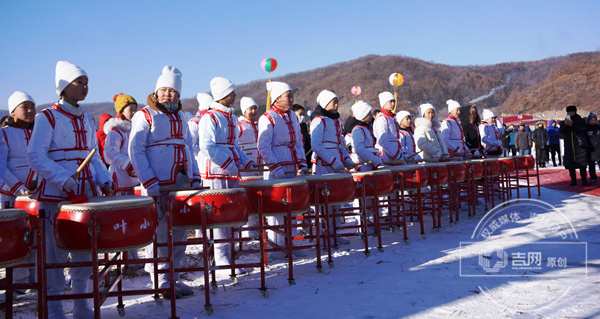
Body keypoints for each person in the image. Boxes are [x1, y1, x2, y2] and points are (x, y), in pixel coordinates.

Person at [27, 61, 113, 318]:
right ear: (63, 87)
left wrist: (104, 178)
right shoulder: (47, 117)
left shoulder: (87, 118)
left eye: (86, 82)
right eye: (79, 82)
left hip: (85, 194)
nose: (85, 87)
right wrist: (62, 178)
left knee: (84, 248)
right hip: (55, 195)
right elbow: (35, 156)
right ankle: (53, 307)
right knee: (53, 251)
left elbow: (93, 156)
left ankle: (80, 303)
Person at [129, 65, 201, 298]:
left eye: (173, 91)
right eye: (165, 90)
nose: (168, 95)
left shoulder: (182, 116)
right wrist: (148, 181)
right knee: (160, 233)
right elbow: (136, 150)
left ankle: (174, 277)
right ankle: (160, 280)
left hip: (181, 182)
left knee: (180, 231)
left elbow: (190, 148)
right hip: (158, 183)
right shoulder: (145, 115)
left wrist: (196, 175)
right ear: (156, 91)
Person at [198, 77, 255, 271]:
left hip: (231, 172)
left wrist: (246, 161)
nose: (235, 96)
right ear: (223, 95)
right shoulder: (210, 117)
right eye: (231, 93)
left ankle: (228, 255)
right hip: (216, 172)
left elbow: (234, 145)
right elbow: (206, 146)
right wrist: (228, 163)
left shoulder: (230, 117)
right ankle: (220, 258)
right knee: (219, 215)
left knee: (231, 214)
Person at [257, 81, 308, 255]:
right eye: (288, 95)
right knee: (277, 208)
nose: (292, 99)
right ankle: (275, 247)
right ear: (277, 97)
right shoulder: (267, 117)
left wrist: (302, 163)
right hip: (276, 167)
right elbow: (263, 146)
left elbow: (298, 143)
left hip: (291, 165)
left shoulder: (292, 115)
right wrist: (276, 169)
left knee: (292, 207)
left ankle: (292, 243)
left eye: (292, 95)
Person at [2, 91, 37, 293]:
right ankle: (18, 282)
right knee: (16, 239)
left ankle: (36, 278)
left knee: (37, 238)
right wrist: (17, 188)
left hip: (36, 194)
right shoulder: (4, 133)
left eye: (32, 106)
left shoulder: (38, 132)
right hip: (12, 195)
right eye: (25, 107)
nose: (31, 111)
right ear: (13, 111)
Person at [310, 90, 354, 245]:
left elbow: (339, 145)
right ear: (324, 103)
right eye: (332, 101)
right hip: (324, 165)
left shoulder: (336, 122)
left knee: (336, 200)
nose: (336, 104)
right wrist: (333, 161)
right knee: (325, 202)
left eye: (337, 101)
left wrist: (347, 159)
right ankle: (324, 234)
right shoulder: (319, 121)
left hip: (337, 165)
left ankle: (334, 232)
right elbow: (316, 145)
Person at [347, 101, 383, 170]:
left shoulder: (366, 128)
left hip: (370, 164)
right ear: (364, 115)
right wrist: (376, 160)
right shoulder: (358, 130)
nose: (371, 115)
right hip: (363, 165)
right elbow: (359, 149)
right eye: (369, 113)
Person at [559, 105, 588, 186]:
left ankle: (584, 180)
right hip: (569, 145)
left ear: (575, 112)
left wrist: (572, 125)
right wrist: (565, 124)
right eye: (568, 112)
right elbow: (561, 131)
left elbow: (582, 129)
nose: (570, 113)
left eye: (571, 112)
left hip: (579, 145)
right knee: (570, 164)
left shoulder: (580, 120)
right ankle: (573, 180)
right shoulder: (565, 121)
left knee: (582, 163)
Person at [373, 92, 402, 162]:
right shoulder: (382, 118)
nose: (393, 104)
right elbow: (382, 140)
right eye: (390, 102)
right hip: (386, 154)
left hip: (395, 153)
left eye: (394, 102)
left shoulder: (391, 117)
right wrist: (396, 155)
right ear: (384, 103)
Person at [238, 97, 262, 176]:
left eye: (255, 108)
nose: (254, 111)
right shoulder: (239, 125)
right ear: (244, 111)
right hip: (246, 167)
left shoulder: (260, 124)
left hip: (261, 165)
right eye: (251, 109)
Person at [188, 93, 213, 158]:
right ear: (206, 108)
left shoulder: (209, 120)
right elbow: (191, 145)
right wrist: (205, 151)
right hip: (199, 159)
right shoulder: (194, 123)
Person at [586, 113, 600, 184]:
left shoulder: (598, 127)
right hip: (590, 150)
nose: (593, 121)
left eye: (594, 120)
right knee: (591, 165)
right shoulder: (586, 128)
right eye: (591, 120)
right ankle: (593, 178)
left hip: (598, 149)